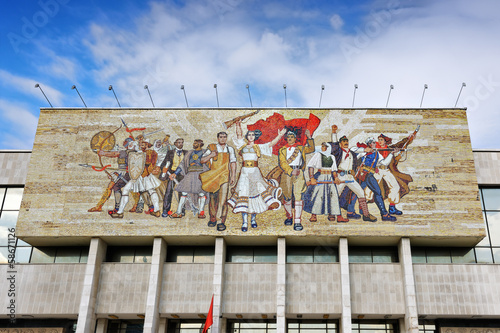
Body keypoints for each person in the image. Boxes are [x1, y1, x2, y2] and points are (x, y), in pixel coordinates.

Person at [227, 120, 286, 232]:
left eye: (253, 135)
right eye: (249, 134)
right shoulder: (242, 145)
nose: (250, 136)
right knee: (244, 195)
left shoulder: (258, 147)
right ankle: (244, 222)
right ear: (247, 136)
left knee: (256, 195)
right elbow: (239, 135)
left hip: (255, 172)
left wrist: (279, 135)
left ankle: (253, 219)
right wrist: (238, 124)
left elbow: (271, 144)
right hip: (244, 173)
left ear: (255, 136)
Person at [328, 125, 377, 222]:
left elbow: (359, 152)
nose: (346, 143)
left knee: (361, 192)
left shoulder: (352, 153)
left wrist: (368, 150)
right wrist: (334, 132)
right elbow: (334, 143)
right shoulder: (338, 152)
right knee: (335, 195)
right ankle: (331, 214)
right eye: (343, 142)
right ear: (340, 143)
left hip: (350, 177)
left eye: (347, 142)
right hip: (340, 176)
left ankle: (366, 215)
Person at [111, 139, 162, 218]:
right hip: (137, 175)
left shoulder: (152, 153)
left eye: (143, 144)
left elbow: (152, 165)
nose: (141, 144)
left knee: (150, 191)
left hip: (144, 176)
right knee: (150, 191)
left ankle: (120, 212)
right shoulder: (137, 153)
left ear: (147, 145)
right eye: (141, 143)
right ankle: (156, 210)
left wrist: (146, 173)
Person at [352, 137, 398, 221]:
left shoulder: (377, 154)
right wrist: (364, 150)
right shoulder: (364, 152)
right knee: (377, 192)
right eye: (373, 142)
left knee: (358, 192)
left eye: (374, 142)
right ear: (369, 144)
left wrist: (391, 153)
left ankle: (354, 211)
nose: (375, 144)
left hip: (369, 174)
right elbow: (352, 150)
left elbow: (384, 163)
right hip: (365, 174)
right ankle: (384, 214)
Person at [302, 142, 349, 223]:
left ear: (329, 148)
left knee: (333, 196)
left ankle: (339, 216)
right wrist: (312, 178)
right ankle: (313, 215)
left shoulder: (332, 157)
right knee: (317, 195)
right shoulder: (318, 155)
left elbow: (334, 170)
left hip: (330, 177)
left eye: (325, 146)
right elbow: (311, 166)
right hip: (320, 177)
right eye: (322, 146)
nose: (323, 147)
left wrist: (336, 178)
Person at [278, 130, 315, 231]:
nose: (290, 139)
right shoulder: (282, 150)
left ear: (295, 139)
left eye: (292, 137)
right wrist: (290, 171)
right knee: (287, 195)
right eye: (288, 137)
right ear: (286, 139)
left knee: (298, 195)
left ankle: (297, 221)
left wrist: (309, 137)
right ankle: (289, 216)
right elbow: (282, 163)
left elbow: (311, 148)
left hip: (299, 172)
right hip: (287, 173)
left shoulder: (300, 148)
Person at [200, 132, 237, 231]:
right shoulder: (212, 148)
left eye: (225, 137)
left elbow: (233, 163)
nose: (223, 139)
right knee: (213, 199)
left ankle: (221, 221)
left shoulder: (230, 149)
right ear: (217, 138)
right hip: (213, 177)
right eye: (221, 137)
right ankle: (213, 219)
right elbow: (202, 160)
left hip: (225, 176)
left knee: (223, 199)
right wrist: (211, 155)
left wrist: (233, 175)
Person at [170, 139, 209, 218]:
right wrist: (175, 173)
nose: (193, 144)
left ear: (199, 144)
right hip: (190, 174)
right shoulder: (189, 153)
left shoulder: (205, 152)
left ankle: (201, 212)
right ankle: (178, 212)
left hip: (201, 175)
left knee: (201, 193)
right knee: (184, 193)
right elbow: (182, 164)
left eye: (195, 143)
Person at [156, 138, 186, 217]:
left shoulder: (186, 153)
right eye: (179, 142)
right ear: (175, 143)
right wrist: (166, 170)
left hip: (182, 175)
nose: (181, 144)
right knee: (169, 191)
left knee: (183, 193)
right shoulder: (170, 152)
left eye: (182, 142)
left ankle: (182, 211)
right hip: (171, 174)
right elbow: (163, 164)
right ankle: (166, 210)